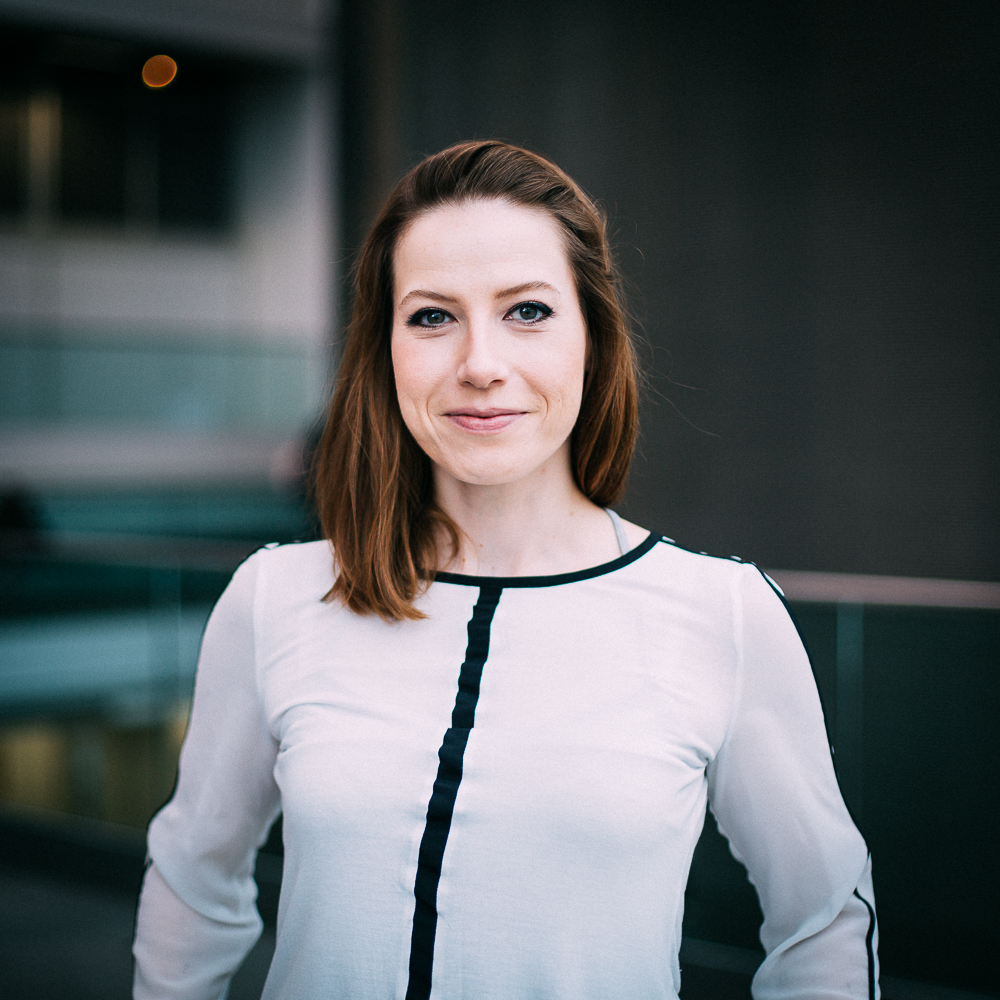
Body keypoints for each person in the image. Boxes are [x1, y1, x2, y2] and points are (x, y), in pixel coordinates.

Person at [133, 140, 879, 999]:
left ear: (591, 339)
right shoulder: (277, 597)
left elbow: (823, 920)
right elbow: (192, 880)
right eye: (432, 317)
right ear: (383, 350)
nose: (481, 365)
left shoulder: (722, 613)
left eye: (527, 311)